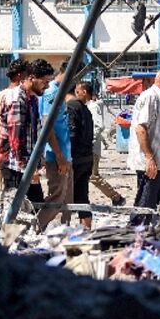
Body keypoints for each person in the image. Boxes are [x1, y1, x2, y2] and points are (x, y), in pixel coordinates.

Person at [0, 59, 51, 211]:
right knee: (14, 212)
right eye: (44, 82)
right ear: (32, 77)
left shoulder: (32, 99)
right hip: (14, 166)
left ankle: (25, 234)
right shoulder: (17, 99)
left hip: (26, 165)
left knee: (34, 208)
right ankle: (7, 235)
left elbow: (35, 133)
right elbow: (15, 139)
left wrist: (39, 161)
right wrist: (28, 168)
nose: (46, 86)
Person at [128, 66, 160, 218]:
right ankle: (137, 237)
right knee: (145, 208)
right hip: (150, 164)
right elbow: (140, 129)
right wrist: (149, 157)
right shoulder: (150, 97)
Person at [37, 61, 75, 231]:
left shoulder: (59, 91)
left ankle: (63, 232)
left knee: (68, 200)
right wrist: (59, 156)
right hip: (56, 155)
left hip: (65, 155)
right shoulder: (51, 92)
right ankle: (34, 228)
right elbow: (47, 125)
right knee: (56, 199)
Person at [0, 59, 29, 189]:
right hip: (15, 155)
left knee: (5, 191)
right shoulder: (19, 96)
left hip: (0, 151)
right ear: (19, 75)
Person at [66, 81, 96, 229]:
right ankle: (86, 229)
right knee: (82, 196)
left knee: (64, 197)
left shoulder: (72, 106)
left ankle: (60, 229)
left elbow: (72, 133)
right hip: (86, 158)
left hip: (75, 159)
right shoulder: (85, 109)